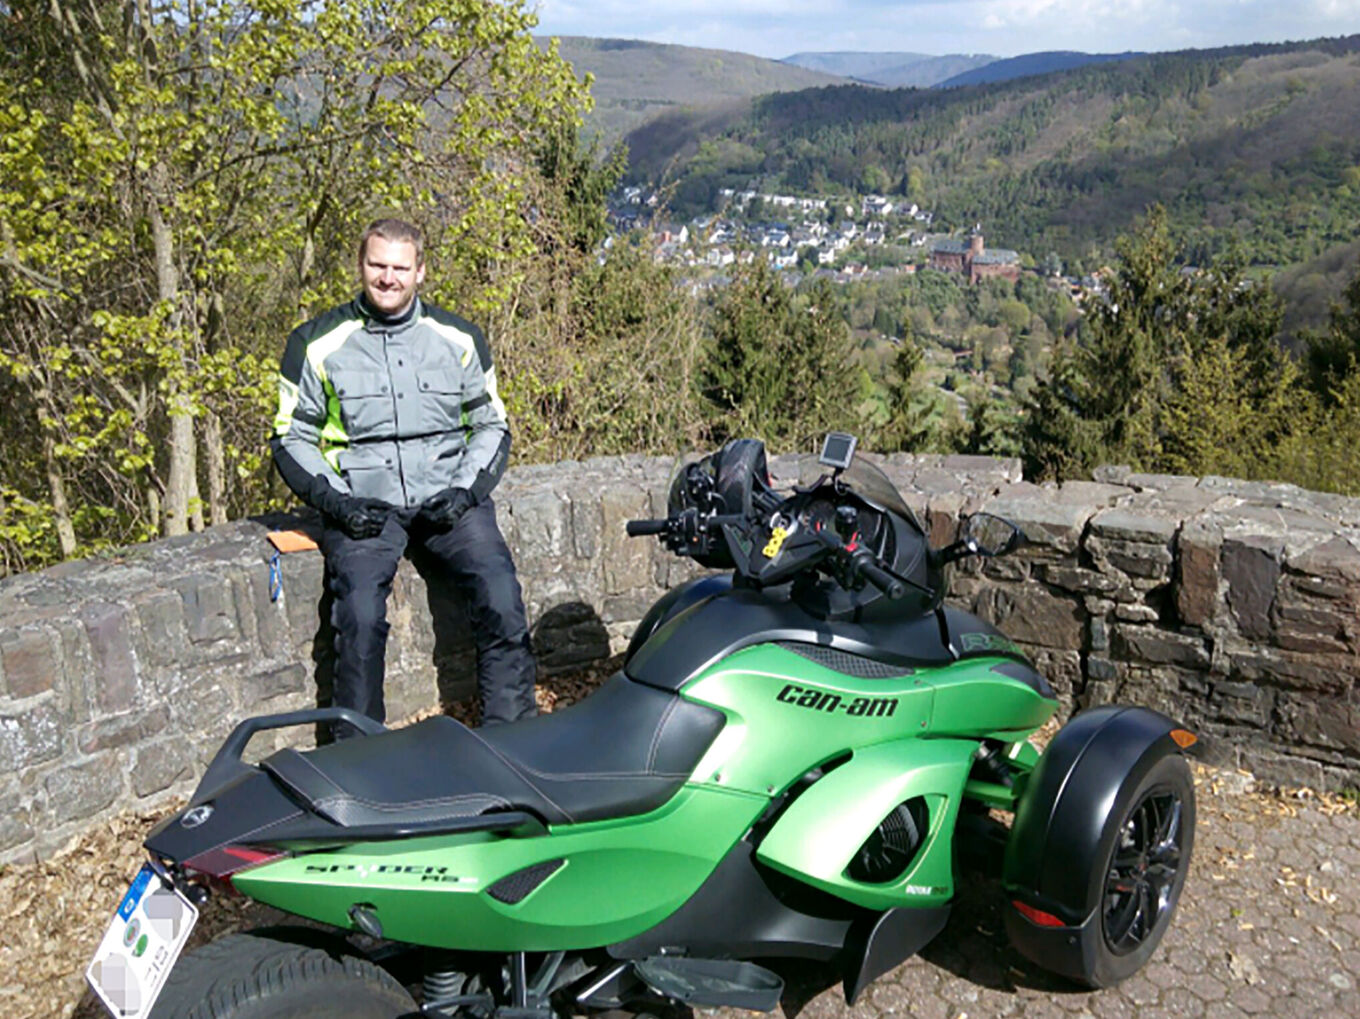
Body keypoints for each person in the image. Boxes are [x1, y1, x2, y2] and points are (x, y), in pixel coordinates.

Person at [270, 218, 537, 735]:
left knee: (500, 594)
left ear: (420, 271)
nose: (387, 278)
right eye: (377, 265)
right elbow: (289, 438)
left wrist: (467, 491)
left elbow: (491, 425)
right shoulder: (316, 343)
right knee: (359, 617)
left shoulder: (458, 338)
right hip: (363, 506)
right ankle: (358, 755)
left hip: (449, 498)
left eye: (399, 267)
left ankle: (513, 736)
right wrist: (338, 503)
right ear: (360, 266)